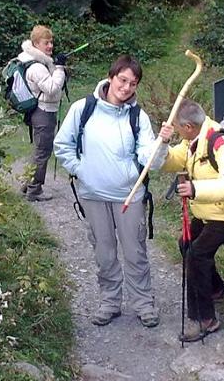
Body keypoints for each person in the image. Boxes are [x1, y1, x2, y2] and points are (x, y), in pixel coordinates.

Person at [54, 55, 168, 328]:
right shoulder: (83, 109)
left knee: (135, 251)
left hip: (129, 196)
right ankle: (110, 302)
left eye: (133, 83)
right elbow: (62, 145)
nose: (126, 87)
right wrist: (82, 170)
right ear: (111, 76)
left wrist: (162, 144)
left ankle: (143, 304)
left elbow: (150, 158)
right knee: (104, 252)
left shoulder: (137, 117)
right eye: (123, 79)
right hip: (93, 195)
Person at [157, 99, 224, 342]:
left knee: (196, 255)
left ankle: (206, 319)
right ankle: (216, 289)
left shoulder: (219, 143)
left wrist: (195, 189)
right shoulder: (193, 140)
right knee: (185, 242)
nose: (175, 130)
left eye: (176, 126)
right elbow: (168, 161)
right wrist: (162, 143)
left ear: (188, 126)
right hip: (209, 210)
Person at [17, 25, 67, 201]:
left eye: (51, 42)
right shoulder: (36, 66)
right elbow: (52, 88)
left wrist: (55, 64)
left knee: (39, 149)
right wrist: (60, 68)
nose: (50, 46)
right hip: (43, 112)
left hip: (42, 111)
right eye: (46, 43)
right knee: (43, 151)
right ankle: (34, 190)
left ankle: (27, 184)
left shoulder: (39, 61)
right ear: (36, 43)